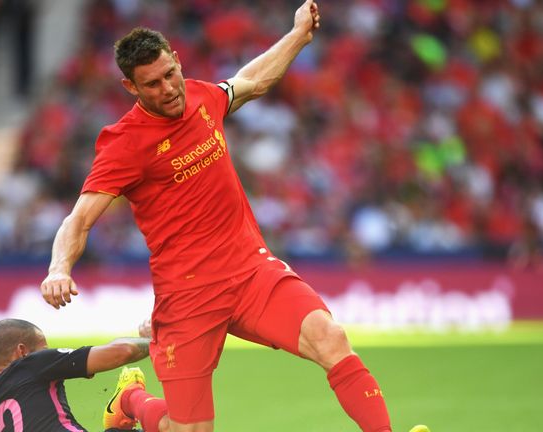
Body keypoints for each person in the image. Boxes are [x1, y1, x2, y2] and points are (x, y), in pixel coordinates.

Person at [41, 1, 393, 431]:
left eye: (170, 74)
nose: (168, 89)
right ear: (131, 87)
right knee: (187, 428)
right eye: (151, 84)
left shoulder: (204, 96)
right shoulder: (124, 145)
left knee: (330, 337)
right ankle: (132, 400)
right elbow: (78, 220)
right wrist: (59, 267)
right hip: (188, 296)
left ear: (177, 61)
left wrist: (299, 34)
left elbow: (254, 80)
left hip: (250, 272)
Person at [0, 318, 170, 432]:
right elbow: (123, 351)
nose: (48, 352)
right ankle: (129, 398)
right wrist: (156, 340)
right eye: (44, 348)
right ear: (22, 352)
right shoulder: (31, 364)